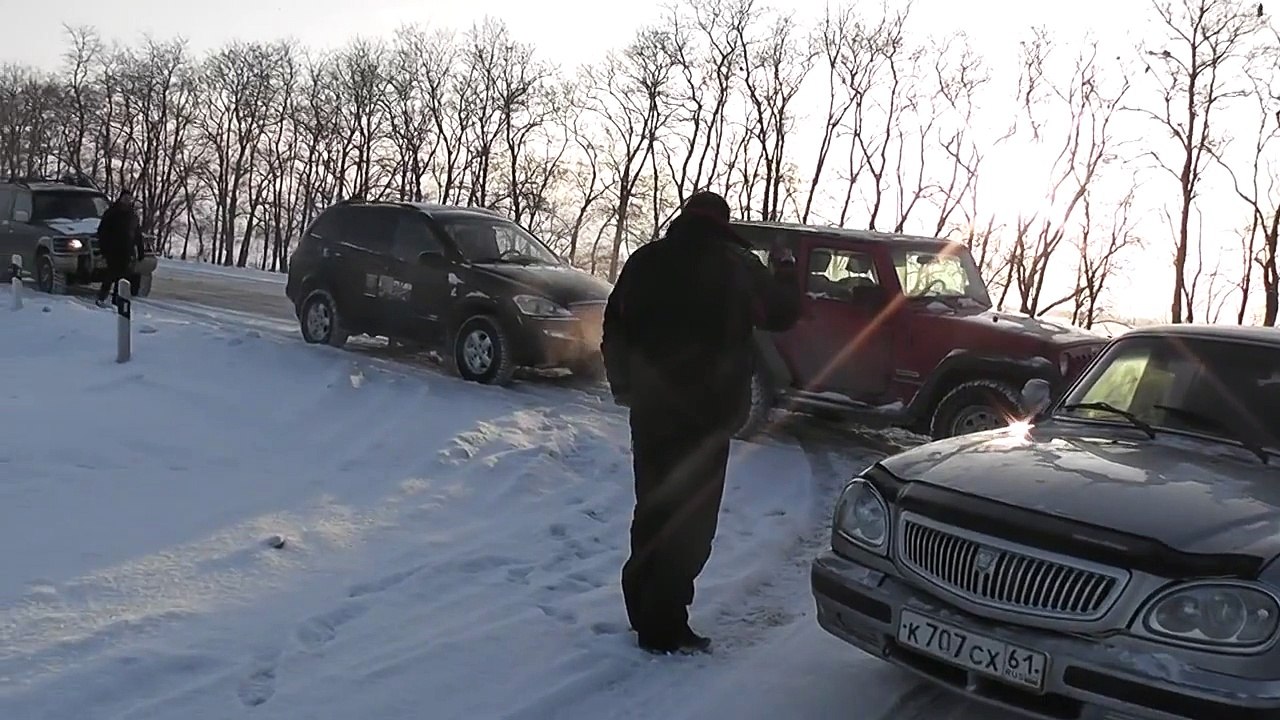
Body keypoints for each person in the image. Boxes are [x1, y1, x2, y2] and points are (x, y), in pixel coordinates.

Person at [602, 190, 801, 654]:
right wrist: (786, 267)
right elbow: (783, 314)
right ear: (720, 224)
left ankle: (644, 611)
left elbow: (615, 324)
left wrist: (623, 385)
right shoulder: (739, 266)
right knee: (690, 523)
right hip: (706, 416)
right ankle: (664, 626)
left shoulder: (645, 260)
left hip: (651, 411)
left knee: (652, 509)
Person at [95, 188, 145, 306]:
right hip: (113, 249)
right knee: (111, 275)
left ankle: (117, 299)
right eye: (125, 198)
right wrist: (104, 248)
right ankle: (102, 297)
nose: (127, 200)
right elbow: (102, 231)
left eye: (129, 198)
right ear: (121, 198)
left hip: (127, 250)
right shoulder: (112, 212)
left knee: (123, 277)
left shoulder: (132, 215)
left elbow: (137, 234)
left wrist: (140, 249)